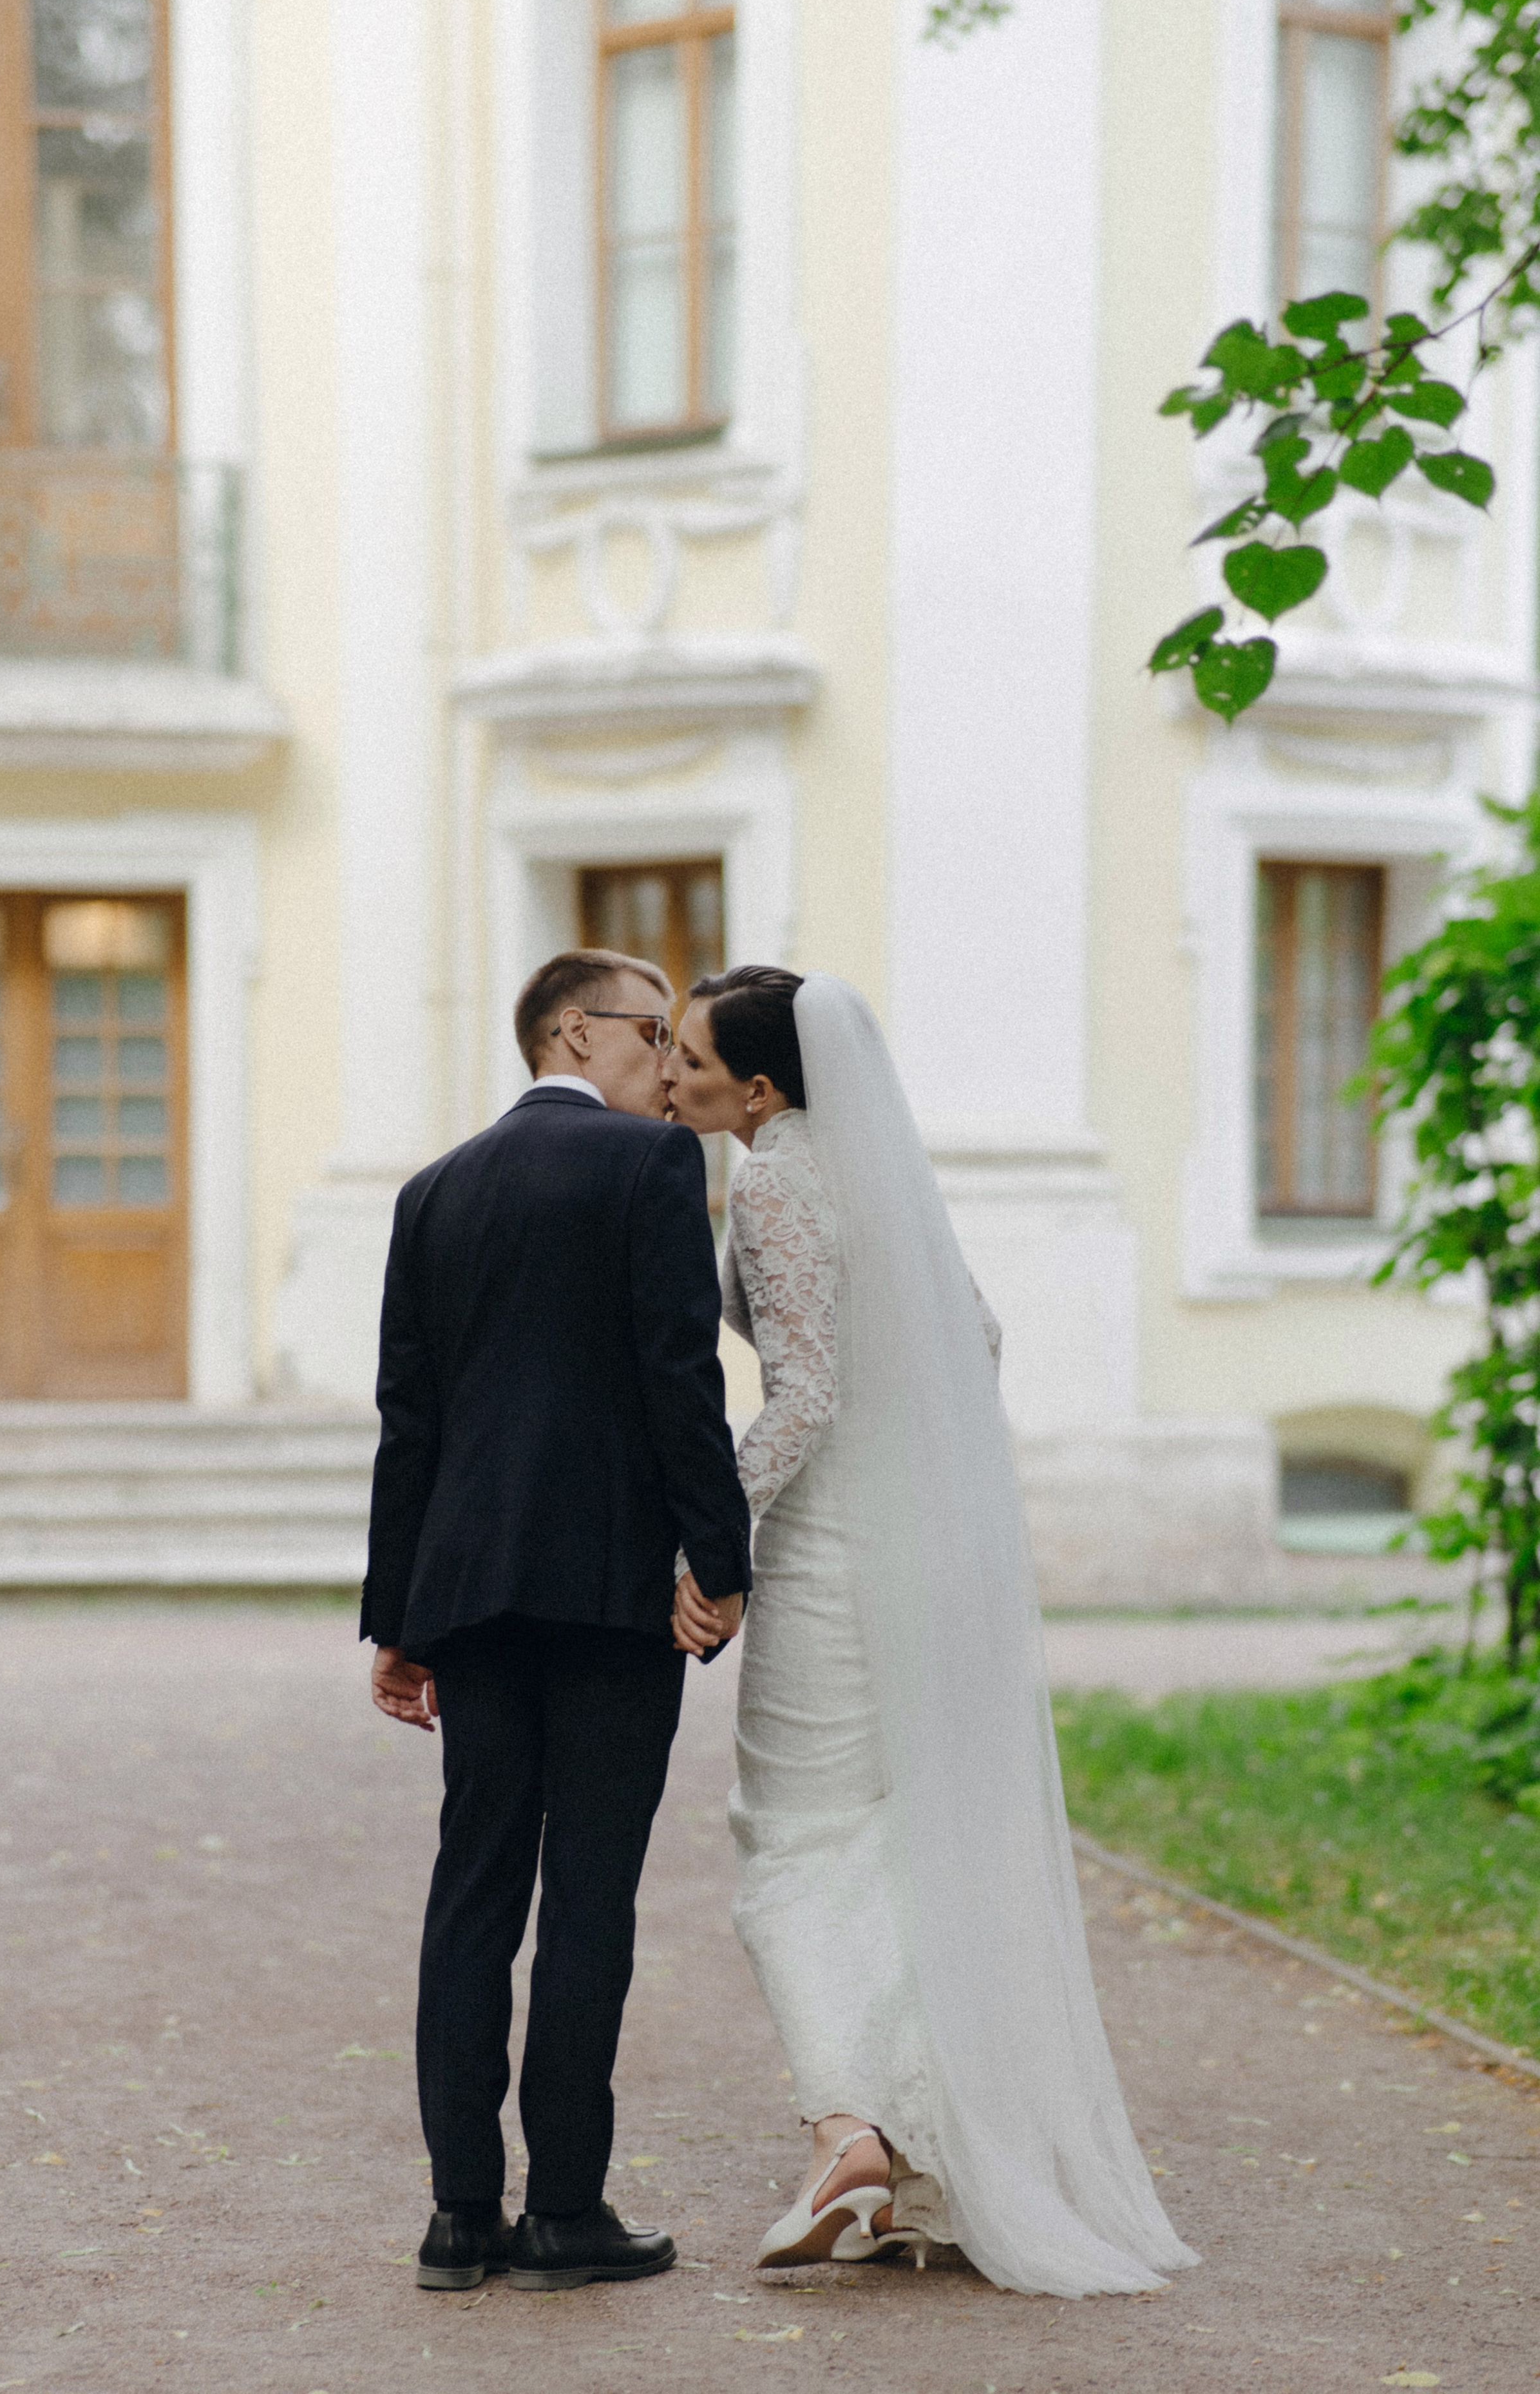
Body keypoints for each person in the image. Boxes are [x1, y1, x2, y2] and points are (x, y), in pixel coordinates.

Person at [665, 967, 1199, 2296]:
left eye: (686, 1059)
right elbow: (977, 1334)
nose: (669, 1076)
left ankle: (845, 2129)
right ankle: (934, 2165)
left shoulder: (776, 1179)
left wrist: (701, 1542)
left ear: (760, 1088)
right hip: (922, 1546)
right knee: (901, 1848)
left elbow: (800, 1400)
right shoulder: (869, 1173)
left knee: (784, 1843)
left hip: (837, 1553)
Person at [362, 949, 751, 2295]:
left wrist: (395, 1620)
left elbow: (407, 1422)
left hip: (466, 1593)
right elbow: (676, 1377)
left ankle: (460, 2217)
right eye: (654, 1032)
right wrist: (722, 1555)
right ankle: (566, 2213)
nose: (670, 1059)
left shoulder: (431, 1192)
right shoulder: (648, 1172)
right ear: (575, 1034)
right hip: (604, 1594)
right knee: (586, 1897)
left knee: (471, 1893)